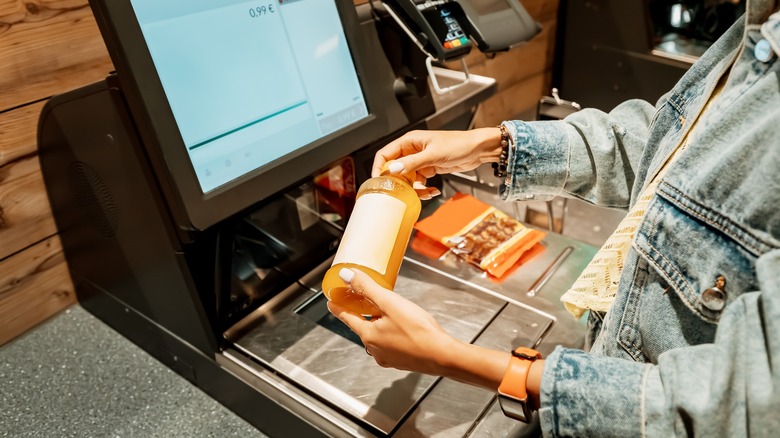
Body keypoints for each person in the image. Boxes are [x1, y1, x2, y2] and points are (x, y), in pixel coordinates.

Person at [328, 0, 780, 436]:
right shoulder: (759, 23)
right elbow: (675, 145)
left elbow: (745, 409)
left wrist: (451, 358)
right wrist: (492, 145)